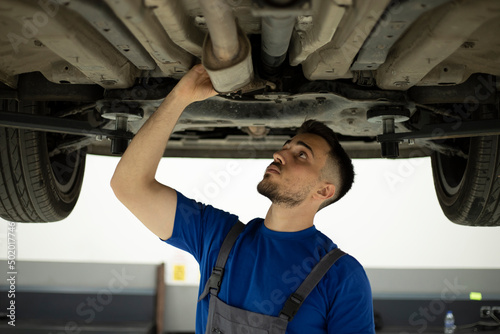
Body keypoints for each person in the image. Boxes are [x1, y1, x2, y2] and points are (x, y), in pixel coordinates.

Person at [111, 64, 375, 333]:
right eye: (285, 148)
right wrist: (181, 97)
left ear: (324, 191)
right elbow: (129, 186)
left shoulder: (342, 275)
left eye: (302, 155)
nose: (279, 155)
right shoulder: (218, 236)